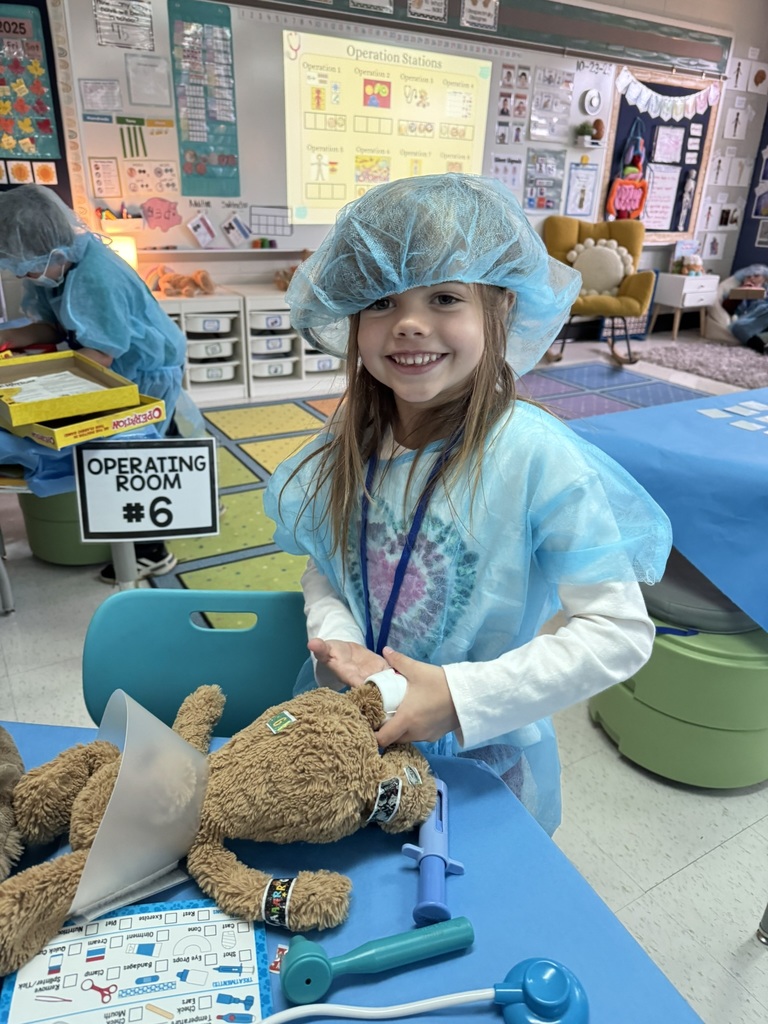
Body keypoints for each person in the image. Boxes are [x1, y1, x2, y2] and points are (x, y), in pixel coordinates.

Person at [263, 173, 671, 835]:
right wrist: (338, 643)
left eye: (445, 297)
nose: (410, 325)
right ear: (353, 318)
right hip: (349, 731)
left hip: (480, 757)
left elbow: (617, 633)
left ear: (500, 309)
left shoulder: (534, 457)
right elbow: (323, 565)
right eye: (381, 302)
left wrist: (455, 698)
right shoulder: (351, 445)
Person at [0, 184, 189, 582]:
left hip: (142, 371)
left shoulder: (96, 276)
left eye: (28, 268)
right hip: (120, 366)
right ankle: (176, 503)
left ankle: (152, 551)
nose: (25, 276)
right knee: (157, 440)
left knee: (138, 455)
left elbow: (98, 356)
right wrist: (12, 339)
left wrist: (29, 381)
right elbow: (53, 324)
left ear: (53, 248)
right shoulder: (57, 267)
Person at [724, 264, 768, 354]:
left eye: (756, 276)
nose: (751, 278)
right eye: (748, 277)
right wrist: (741, 293)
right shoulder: (737, 291)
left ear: (764, 279)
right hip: (750, 318)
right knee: (737, 327)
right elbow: (727, 307)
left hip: (765, 313)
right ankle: (761, 346)